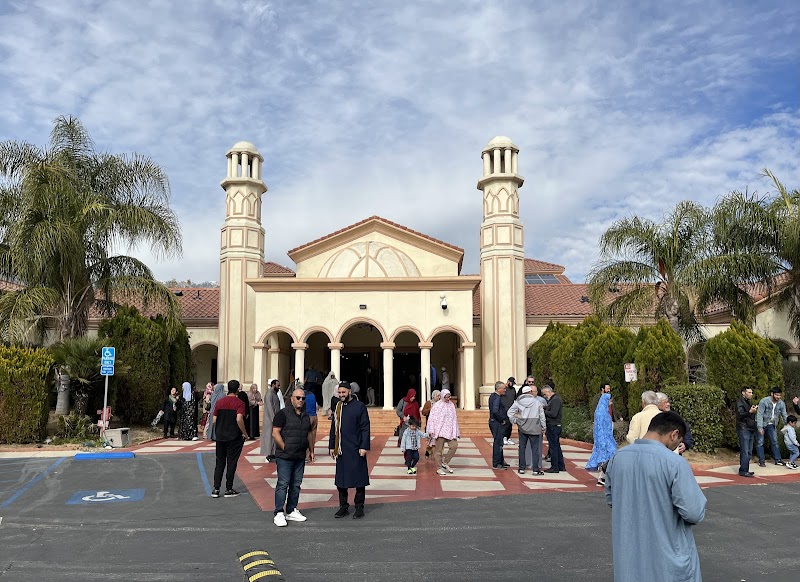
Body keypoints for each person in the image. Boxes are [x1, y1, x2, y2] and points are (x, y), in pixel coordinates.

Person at [605, 411, 706, 582]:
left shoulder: (617, 458)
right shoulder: (674, 463)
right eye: (678, 442)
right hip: (668, 559)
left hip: (629, 558)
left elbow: (611, 499)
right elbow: (694, 512)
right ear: (674, 434)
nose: (675, 447)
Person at [272, 388, 315, 527]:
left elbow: (309, 433)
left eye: (303, 398)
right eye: (298, 398)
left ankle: (291, 510)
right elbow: (275, 433)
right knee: (283, 484)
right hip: (285, 456)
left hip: (300, 455)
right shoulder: (282, 414)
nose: (300, 400)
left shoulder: (306, 416)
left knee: (296, 484)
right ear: (292, 399)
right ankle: (279, 512)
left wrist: (311, 450)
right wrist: (284, 447)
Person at [329, 380, 371, 519]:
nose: (341, 395)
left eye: (343, 392)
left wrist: (364, 446)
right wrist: (331, 446)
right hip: (341, 449)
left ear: (350, 392)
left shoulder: (359, 407)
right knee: (341, 481)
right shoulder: (338, 407)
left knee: (359, 479)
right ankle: (343, 507)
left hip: (356, 449)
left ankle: (359, 507)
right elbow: (334, 428)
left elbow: (365, 427)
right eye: (339, 392)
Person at [211, 379, 248, 498]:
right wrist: (245, 433)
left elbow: (214, 420)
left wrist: (219, 430)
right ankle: (229, 488)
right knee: (232, 462)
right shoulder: (240, 403)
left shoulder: (220, 402)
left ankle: (216, 489)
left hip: (220, 436)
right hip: (234, 437)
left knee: (220, 462)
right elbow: (239, 419)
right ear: (237, 389)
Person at [507, 385, 546, 475]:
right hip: (535, 427)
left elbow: (510, 412)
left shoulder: (518, 402)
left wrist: (515, 421)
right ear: (530, 392)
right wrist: (543, 427)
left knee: (522, 448)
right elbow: (542, 416)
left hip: (522, 427)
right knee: (535, 449)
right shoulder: (537, 402)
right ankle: (535, 470)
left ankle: (521, 468)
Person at [586, 385, 617, 483]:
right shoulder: (601, 413)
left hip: (606, 438)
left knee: (606, 457)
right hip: (604, 439)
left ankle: (603, 476)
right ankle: (602, 477)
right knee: (606, 456)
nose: (611, 403)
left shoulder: (602, 411)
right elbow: (600, 428)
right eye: (610, 401)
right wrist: (602, 441)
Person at [426, 388, 460, 475]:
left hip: (450, 431)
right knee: (438, 450)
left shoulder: (451, 405)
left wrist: (456, 431)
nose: (448, 399)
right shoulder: (437, 406)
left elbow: (454, 419)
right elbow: (432, 418)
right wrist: (431, 429)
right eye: (446, 397)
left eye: (449, 397)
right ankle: (439, 467)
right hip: (439, 431)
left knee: (454, 446)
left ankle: (445, 463)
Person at [756, 387, 788, 466]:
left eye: (779, 395)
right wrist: (760, 427)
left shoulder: (781, 403)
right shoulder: (764, 401)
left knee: (774, 442)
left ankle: (778, 459)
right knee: (760, 442)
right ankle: (761, 460)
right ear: (772, 394)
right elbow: (759, 414)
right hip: (763, 423)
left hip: (772, 424)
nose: (778, 397)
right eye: (776, 395)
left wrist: (788, 424)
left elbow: (784, 415)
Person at [542, 385, 565, 473]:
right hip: (554, 425)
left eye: (545, 394)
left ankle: (555, 467)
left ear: (549, 392)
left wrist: (543, 411)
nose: (544, 396)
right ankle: (560, 466)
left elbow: (553, 413)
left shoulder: (555, 399)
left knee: (553, 447)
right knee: (556, 446)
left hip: (553, 426)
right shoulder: (554, 399)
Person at [736, 387, 758, 477]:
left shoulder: (748, 402)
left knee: (749, 451)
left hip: (750, 428)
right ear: (743, 393)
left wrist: (752, 411)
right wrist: (750, 412)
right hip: (744, 428)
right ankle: (743, 470)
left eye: (751, 392)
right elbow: (740, 415)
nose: (751, 394)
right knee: (745, 450)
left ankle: (745, 469)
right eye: (749, 392)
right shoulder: (740, 402)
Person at [488, 381, 510, 470]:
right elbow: (495, 410)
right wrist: (502, 420)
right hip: (496, 422)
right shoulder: (496, 398)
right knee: (498, 443)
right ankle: (496, 463)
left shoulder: (493, 396)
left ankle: (501, 461)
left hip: (494, 422)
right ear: (498, 389)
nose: (505, 390)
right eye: (503, 388)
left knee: (499, 442)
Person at [261, 378, 282, 462]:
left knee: (273, 437)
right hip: (270, 420)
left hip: (274, 419)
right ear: (273, 385)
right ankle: (269, 454)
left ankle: (273, 453)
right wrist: (274, 420)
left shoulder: (274, 393)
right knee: (269, 438)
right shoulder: (269, 394)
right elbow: (270, 409)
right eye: (278, 385)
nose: (279, 387)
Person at [421, 390, 441, 458]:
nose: (439, 397)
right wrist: (430, 409)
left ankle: (437, 455)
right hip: (430, 426)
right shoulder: (429, 403)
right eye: (437, 396)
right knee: (430, 442)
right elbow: (423, 412)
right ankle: (428, 453)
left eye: (439, 396)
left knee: (438, 442)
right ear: (434, 396)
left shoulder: (441, 404)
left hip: (439, 426)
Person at [500, 377, 517, 445]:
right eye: (511, 383)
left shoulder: (513, 389)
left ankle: (508, 437)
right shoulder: (504, 389)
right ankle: (504, 437)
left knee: (510, 424)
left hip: (511, 410)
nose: (512, 384)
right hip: (504, 409)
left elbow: (515, 398)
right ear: (508, 381)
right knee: (505, 424)